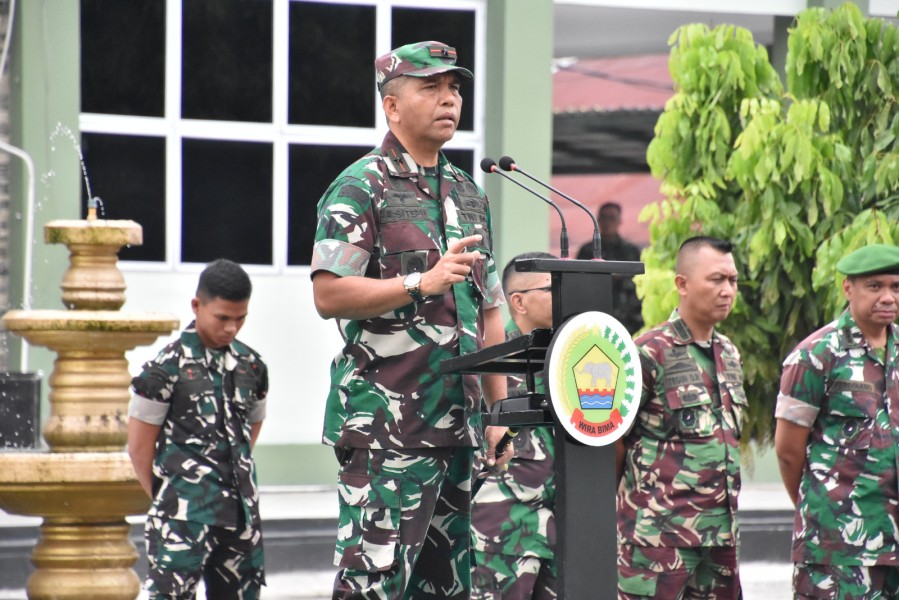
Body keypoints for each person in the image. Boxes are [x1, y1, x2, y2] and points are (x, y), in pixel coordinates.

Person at [310, 40, 510, 599]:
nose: (450, 99)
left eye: (455, 88)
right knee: (374, 585)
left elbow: (490, 309)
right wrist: (418, 283)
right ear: (392, 106)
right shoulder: (361, 186)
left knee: (446, 589)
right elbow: (328, 293)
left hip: (459, 431)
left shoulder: (469, 196)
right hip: (387, 434)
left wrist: (500, 411)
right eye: (432, 88)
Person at [127, 259, 269, 600]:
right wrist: (169, 497)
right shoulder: (163, 370)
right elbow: (139, 449)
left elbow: (250, 431)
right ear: (197, 305)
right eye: (223, 317)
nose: (231, 328)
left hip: (240, 517)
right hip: (181, 521)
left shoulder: (252, 366)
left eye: (240, 318)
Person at [615, 236, 746, 599]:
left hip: (721, 537)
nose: (727, 290)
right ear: (682, 284)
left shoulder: (729, 354)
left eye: (732, 280)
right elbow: (614, 440)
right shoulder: (647, 353)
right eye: (716, 279)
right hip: (659, 539)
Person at [775, 244, 899, 598]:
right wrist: (823, 511)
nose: (887, 297)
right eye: (874, 286)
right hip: (836, 551)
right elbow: (787, 452)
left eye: (895, 286)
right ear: (848, 289)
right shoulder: (816, 355)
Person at [471, 252, 557, 600]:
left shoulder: (572, 359)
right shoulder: (489, 361)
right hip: (503, 535)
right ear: (518, 301)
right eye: (552, 288)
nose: (565, 297)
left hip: (562, 530)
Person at [576, 202, 644, 334]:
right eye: (603, 217)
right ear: (598, 220)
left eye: (611, 218)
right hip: (594, 317)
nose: (607, 222)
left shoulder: (631, 251)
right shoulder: (587, 251)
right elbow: (579, 284)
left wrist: (619, 278)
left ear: (620, 221)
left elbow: (639, 284)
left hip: (628, 319)